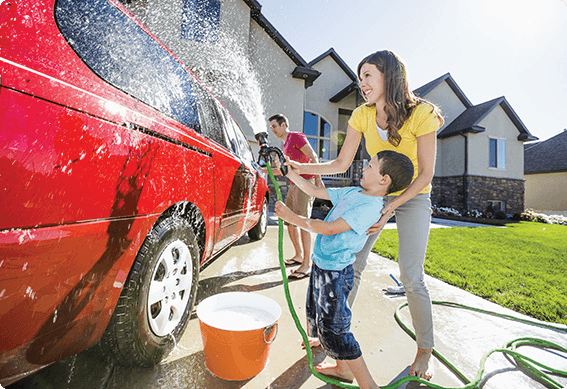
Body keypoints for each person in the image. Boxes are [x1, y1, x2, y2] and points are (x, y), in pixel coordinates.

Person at [285, 50, 444, 380]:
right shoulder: (361, 114)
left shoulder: (423, 113)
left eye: (368, 75)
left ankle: (424, 350)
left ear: (389, 76)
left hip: (413, 196)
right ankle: (336, 336)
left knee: (411, 274)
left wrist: (390, 209)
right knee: (351, 265)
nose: (362, 82)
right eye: (360, 76)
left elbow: (426, 174)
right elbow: (341, 164)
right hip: (374, 196)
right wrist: (303, 167)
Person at [275, 151, 414, 388]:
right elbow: (315, 191)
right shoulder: (353, 192)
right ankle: (335, 359)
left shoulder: (370, 208)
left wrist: (292, 217)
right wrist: (291, 173)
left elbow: (329, 229)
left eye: (370, 166)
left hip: (336, 275)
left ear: (384, 179)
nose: (364, 168)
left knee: (337, 331)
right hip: (322, 265)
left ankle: (367, 383)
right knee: (316, 311)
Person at [267, 113, 322, 280]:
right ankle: (298, 255)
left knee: (303, 222)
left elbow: (313, 156)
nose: (273, 130)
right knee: (290, 221)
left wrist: (318, 182)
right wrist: (263, 170)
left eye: (275, 126)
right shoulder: (284, 146)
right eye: (271, 128)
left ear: (284, 125)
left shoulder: (296, 137)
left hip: (305, 183)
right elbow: (285, 170)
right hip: (294, 184)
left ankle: (307, 264)